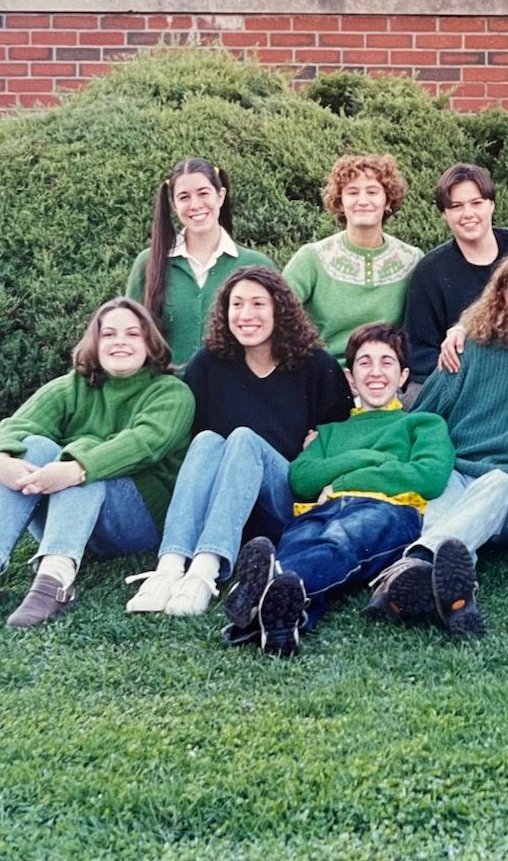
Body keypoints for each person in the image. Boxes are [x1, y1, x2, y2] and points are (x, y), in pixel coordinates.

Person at [0, 298, 194, 628]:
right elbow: (16, 427)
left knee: (84, 453)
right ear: (95, 342)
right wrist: (1, 461)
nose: (120, 341)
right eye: (109, 334)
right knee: (31, 445)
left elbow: (144, 444)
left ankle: (55, 581)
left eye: (133, 334)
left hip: (135, 522)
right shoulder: (72, 386)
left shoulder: (170, 393)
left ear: (150, 343)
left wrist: (75, 469)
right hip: (67, 516)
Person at [123, 267, 353, 617]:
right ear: (225, 312)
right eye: (237, 304)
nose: (246, 315)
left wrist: (319, 448)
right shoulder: (209, 364)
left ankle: (204, 571)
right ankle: (169, 568)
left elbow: (339, 439)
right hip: (226, 509)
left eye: (258, 304)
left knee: (244, 439)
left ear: (280, 310)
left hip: (284, 504)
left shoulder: (316, 366)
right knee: (206, 440)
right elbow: (194, 449)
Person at [364, 247, 508, 635]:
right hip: (453, 474)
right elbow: (425, 416)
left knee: (497, 485)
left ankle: (408, 571)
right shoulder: (470, 349)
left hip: (507, 490)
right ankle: (446, 591)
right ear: (502, 296)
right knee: (441, 507)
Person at [219, 324, 455, 655]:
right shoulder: (328, 433)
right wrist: (369, 459)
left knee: (340, 540)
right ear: (350, 377)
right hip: (317, 511)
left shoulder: (422, 424)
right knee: (300, 543)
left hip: (387, 511)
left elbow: (428, 475)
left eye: (386, 363)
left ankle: (257, 595)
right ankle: (283, 626)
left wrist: (342, 479)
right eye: (364, 363)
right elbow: (302, 478)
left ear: (403, 377)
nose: (375, 372)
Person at [402, 163, 508, 395]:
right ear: (444, 214)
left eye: (476, 203)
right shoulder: (431, 271)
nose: (468, 214)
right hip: (468, 382)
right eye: (456, 206)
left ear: (491, 205)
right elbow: (419, 350)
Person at [127, 158, 275, 367]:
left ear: (220, 196)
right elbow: (129, 336)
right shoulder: (148, 264)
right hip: (165, 393)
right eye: (184, 197)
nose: (195, 205)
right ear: (173, 204)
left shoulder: (256, 265)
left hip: (233, 393)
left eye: (204, 193)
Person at [283, 154, 423, 365]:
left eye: (373, 192)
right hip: (323, 375)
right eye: (352, 192)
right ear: (340, 202)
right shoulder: (311, 258)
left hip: (385, 380)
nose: (363, 200)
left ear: (388, 201)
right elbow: (276, 316)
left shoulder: (412, 259)